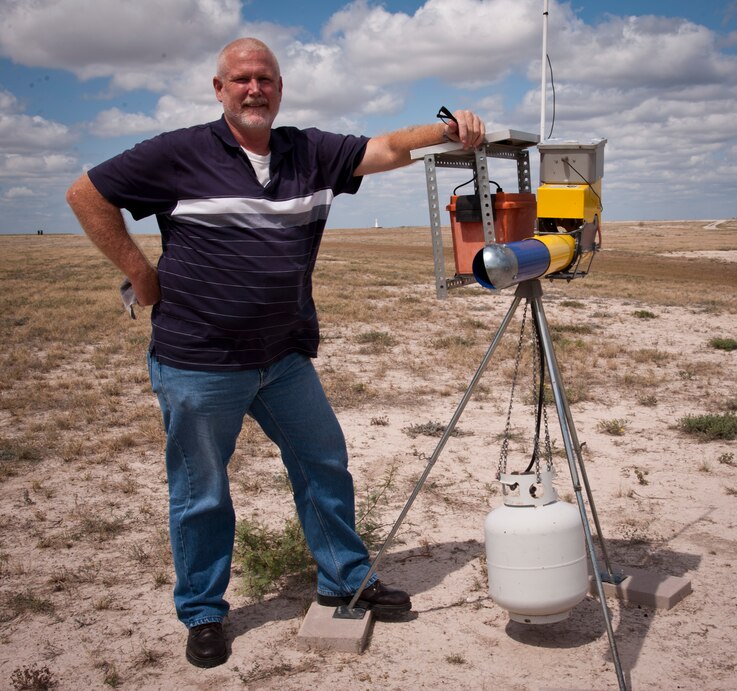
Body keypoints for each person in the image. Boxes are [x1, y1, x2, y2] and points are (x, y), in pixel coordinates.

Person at [66, 37, 485, 668]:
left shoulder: (309, 153)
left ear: (280, 88)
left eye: (265, 78)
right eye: (241, 80)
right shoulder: (179, 153)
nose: (253, 88)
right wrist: (140, 272)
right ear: (219, 89)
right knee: (201, 492)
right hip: (199, 361)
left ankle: (345, 577)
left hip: (283, 358)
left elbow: (390, 147)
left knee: (323, 464)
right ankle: (204, 613)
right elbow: (85, 193)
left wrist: (453, 128)